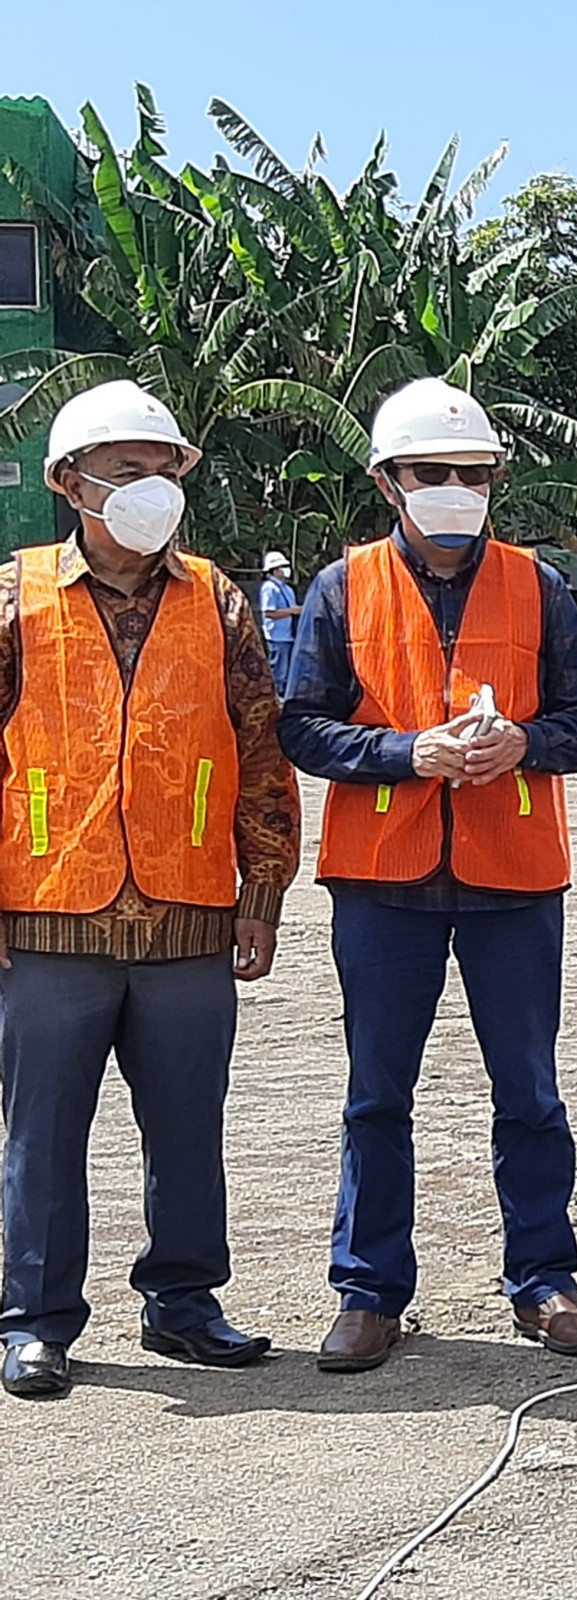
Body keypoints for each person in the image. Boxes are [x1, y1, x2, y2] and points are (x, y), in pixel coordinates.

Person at [278, 377, 577, 1375]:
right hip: (384, 878)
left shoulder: (538, 586)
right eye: (434, 473)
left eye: (474, 474)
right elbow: (301, 725)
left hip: (513, 877)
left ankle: (545, 1278)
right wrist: (403, 753)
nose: (457, 490)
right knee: (377, 1094)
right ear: (389, 482)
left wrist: (523, 740)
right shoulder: (343, 589)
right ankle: (370, 1290)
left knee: (530, 1090)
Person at [0, 381, 300, 1399]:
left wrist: (262, 889)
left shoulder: (216, 598)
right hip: (46, 911)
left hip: (187, 910)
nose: (148, 488)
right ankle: (37, 1319)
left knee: (187, 1123)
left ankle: (183, 1300)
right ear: (68, 484)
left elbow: (261, 749)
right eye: (124, 471)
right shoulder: (16, 594)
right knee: (42, 1130)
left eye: (162, 469)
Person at [259, 550, 300, 689]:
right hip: (277, 637)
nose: (285, 571)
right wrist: (293, 611)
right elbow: (268, 613)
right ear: (274, 571)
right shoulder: (269, 588)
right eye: (281, 568)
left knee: (288, 672)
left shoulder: (287, 589)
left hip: (289, 636)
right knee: (279, 673)